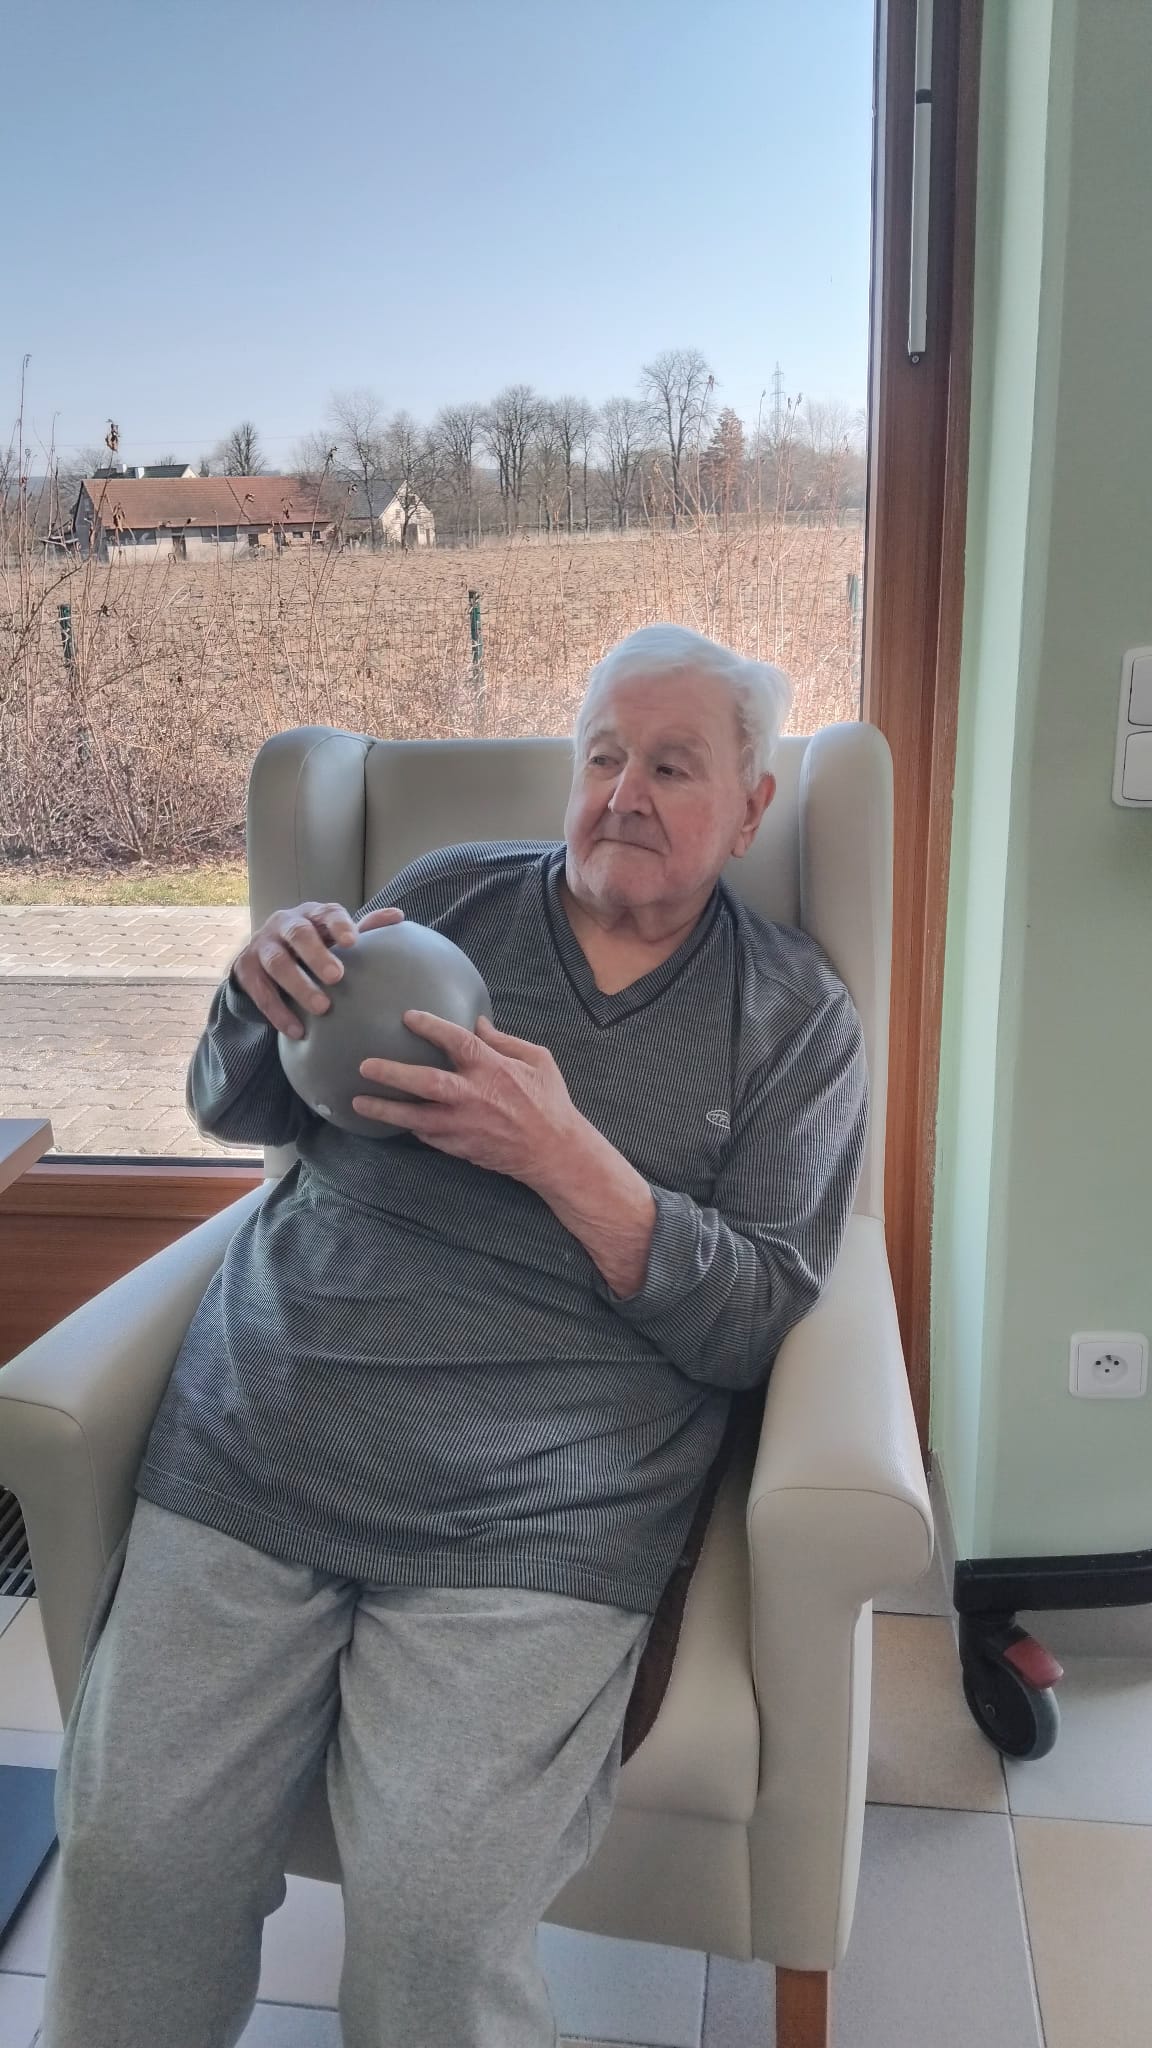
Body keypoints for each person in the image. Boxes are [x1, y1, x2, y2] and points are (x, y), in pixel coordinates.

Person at [40, 623, 869, 2048]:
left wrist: (568, 1158)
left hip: (542, 1509)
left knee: (435, 1926)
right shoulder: (443, 905)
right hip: (266, 1441)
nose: (623, 794)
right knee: (130, 1864)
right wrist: (251, 997)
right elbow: (241, 1106)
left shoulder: (797, 1022)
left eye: (673, 768)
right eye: (602, 756)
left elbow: (752, 1322)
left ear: (751, 809)